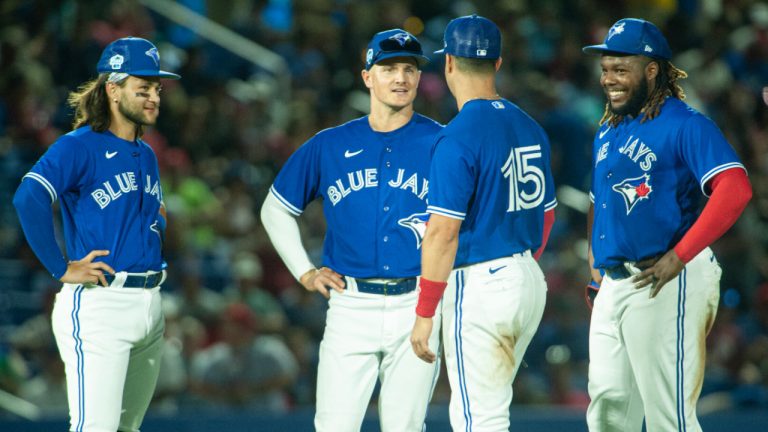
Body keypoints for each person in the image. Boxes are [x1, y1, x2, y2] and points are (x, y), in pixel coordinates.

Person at [260, 29, 442, 431]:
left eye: (409, 69)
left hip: (418, 304)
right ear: (367, 77)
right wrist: (304, 271)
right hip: (350, 304)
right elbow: (275, 209)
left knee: (406, 426)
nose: (400, 78)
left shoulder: (442, 142)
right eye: (389, 68)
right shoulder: (330, 144)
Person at [581, 18, 753, 431]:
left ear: (652, 70)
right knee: (607, 412)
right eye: (606, 69)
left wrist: (680, 255)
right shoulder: (609, 129)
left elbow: (735, 189)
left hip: (666, 277)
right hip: (616, 283)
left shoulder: (685, 123)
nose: (610, 79)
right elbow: (598, 203)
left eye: (621, 69)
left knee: (668, 417)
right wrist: (596, 265)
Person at [12, 37, 179, 432]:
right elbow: (28, 198)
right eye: (143, 88)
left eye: (157, 88)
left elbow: (152, 218)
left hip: (150, 303)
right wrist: (60, 267)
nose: (154, 96)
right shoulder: (80, 146)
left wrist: (158, 223)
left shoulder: (147, 151)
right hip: (100, 306)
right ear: (113, 89)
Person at [410, 15, 557, 431]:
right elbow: (547, 213)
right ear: (497, 63)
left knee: (478, 420)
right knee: (490, 412)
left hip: (481, 285)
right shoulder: (530, 126)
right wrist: (518, 265)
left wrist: (425, 312)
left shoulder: (456, 136)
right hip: (528, 277)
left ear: (450, 64)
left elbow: (442, 232)